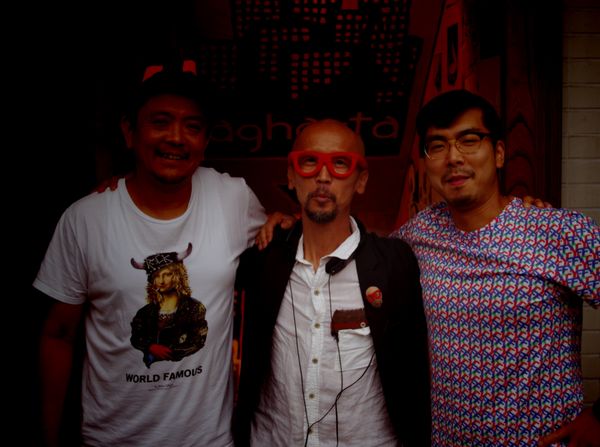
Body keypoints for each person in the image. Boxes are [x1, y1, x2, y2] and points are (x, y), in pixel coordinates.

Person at [34, 60, 265, 446]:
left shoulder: (234, 199)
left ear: (206, 141)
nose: (176, 138)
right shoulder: (86, 219)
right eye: (160, 122)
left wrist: (283, 219)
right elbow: (58, 334)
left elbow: (287, 244)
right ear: (130, 132)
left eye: (192, 127)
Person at [389, 89, 600, 446]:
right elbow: (360, 256)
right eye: (437, 146)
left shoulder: (559, 231)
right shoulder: (418, 235)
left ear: (499, 153)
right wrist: (292, 229)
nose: (453, 157)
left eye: (469, 140)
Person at [234, 119, 431, 446]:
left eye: (340, 164)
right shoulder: (263, 259)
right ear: (291, 176)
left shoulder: (395, 265)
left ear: (361, 180)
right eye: (309, 161)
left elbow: (413, 375)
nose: (323, 176)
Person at [129, 243, 208, 368]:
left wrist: (169, 353)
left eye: (167, 274)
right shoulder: (144, 312)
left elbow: (197, 341)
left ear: (177, 275)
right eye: (156, 276)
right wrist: (150, 346)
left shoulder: (194, 308)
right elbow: (136, 337)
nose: (161, 281)